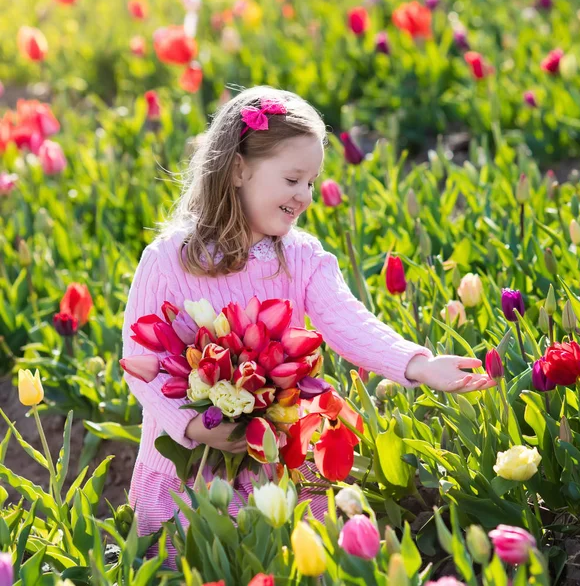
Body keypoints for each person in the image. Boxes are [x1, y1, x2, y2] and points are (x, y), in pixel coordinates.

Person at [123, 85, 497, 568]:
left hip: (280, 451)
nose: (305, 196)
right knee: (203, 562)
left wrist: (420, 365)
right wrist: (194, 424)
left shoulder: (300, 257)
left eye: (312, 182)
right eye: (293, 179)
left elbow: (348, 323)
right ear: (238, 169)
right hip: (190, 459)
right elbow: (142, 363)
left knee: (295, 558)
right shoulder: (171, 260)